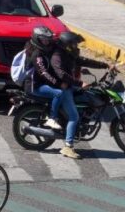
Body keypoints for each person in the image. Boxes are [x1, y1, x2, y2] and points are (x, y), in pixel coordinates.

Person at [34, 30, 109, 159]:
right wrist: (79, 83)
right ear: (68, 45)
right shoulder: (57, 56)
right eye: (74, 44)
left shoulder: (67, 54)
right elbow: (61, 74)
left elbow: (83, 61)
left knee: (86, 96)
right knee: (74, 117)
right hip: (64, 88)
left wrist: (106, 65)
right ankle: (68, 147)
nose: (76, 47)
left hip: (68, 86)